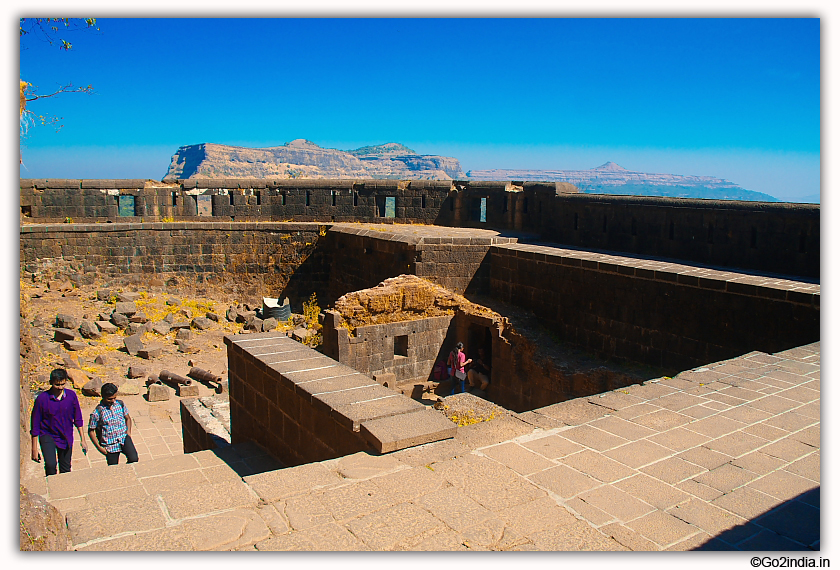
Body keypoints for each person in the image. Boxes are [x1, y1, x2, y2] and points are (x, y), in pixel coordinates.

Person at [30, 368, 87, 476]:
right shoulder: (42, 399)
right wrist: (34, 448)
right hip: (47, 434)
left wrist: (82, 439)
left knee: (65, 467)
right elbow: (35, 423)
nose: (60, 388)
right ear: (51, 383)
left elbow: (78, 417)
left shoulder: (71, 396)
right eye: (57, 385)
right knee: (51, 464)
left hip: (66, 435)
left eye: (62, 384)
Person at [88, 383, 138, 466]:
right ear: (103, 396)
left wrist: (128, 433)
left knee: (134, 458)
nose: (113, 401)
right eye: (109, 399)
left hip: (123, 438)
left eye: (115, 398)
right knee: (113, 468)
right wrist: (99, 447)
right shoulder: (97, 412)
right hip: (110, 444)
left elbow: (128, 418)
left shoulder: (120, 404)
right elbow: (91, 431)